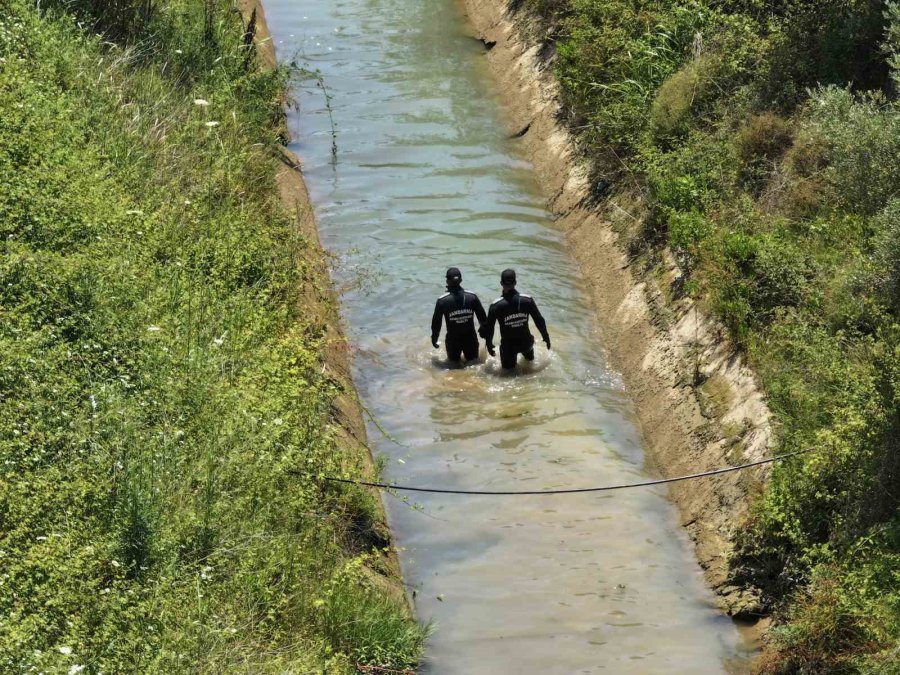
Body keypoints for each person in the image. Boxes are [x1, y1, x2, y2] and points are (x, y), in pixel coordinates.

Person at [481, 268, 551, 370]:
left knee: (508, 375)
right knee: (530, 366)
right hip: (526, 343)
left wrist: (489, 343)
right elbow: (539, 320)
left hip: (509, 347)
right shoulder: (527, 300)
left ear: (501, 283)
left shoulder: (496, 305)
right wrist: (546, 336)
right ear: (515, 282)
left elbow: (490, 328)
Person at [431, 267, 488, 364]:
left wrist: (434, 338)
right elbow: (483, 319)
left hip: (453, 341)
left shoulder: (442, 301)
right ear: (461, 280)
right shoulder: (472, 297)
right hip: (470, 339)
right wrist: (487, 337)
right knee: (473, 365)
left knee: (453, 367)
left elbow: (437, 323)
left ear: (447, 281)